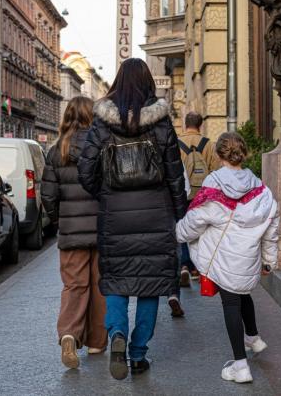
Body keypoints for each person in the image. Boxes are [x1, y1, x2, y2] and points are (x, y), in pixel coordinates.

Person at [78, 58, 187, 380]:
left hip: (115, 216)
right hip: (156, 213)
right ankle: (138, 354)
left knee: (116, 282)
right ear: (147, 82)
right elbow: (174, 172)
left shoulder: (101, 123)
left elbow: (86, 172)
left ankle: (117, 336)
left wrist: (107, 194)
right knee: (150, 286)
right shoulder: (161, 122)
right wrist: (179, 212)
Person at [176, 132, 279, 384]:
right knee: (243, 295)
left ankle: (240, 366)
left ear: (219, 154)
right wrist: (269, 259)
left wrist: (179, 232)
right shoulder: (259, 187)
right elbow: (272, 224)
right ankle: (253, 338)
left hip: (224, 257)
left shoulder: (214, 183)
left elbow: (198, 218)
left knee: (231, 303)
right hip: (248, 257)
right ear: (242, 153)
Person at [42, 96, 106, 370]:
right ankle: (95, 342)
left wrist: (61, 221)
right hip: (101, 230)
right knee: (100, 287)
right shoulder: (101, 148)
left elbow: (48, 196)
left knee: (74, 285)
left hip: (71, 233)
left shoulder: (57, 151)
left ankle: (69, 333)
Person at [168, 112, 220, 317]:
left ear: (184, 124)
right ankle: (199, 268)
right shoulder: (208, 144)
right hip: (203, 194)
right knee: (201, 230)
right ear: (201, 124)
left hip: (183, 193)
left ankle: (184, 266)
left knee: (182, 228)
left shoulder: (176, 142)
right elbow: (215, 171)